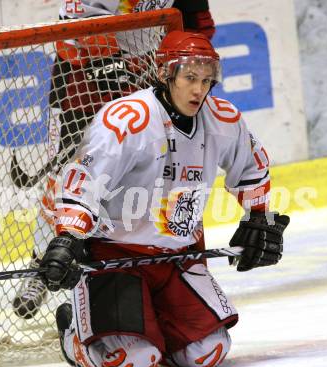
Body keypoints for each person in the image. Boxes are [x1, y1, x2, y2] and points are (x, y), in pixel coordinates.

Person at [39, 30, 290, 367]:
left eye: (205, 80)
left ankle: (152, 321)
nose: (198, 90)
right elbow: (84, 179)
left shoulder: (223, 119)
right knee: (130, 363)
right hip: (115, 257)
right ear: (165, 74)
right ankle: (74, 339)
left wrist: (260, 219)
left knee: (207, 352)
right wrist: (68, 238)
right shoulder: (128, 119)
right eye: (189, 78)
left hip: (178, 256)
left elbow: (253, 166)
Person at [12, 0, 217, 319]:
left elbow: (196, 20)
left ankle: (162, 259)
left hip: (145, 68)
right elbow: (79, 15)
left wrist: (195, 63)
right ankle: (41, 263)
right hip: (81, 76)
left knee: (156, 169)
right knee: (70, 177)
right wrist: (110, 66)